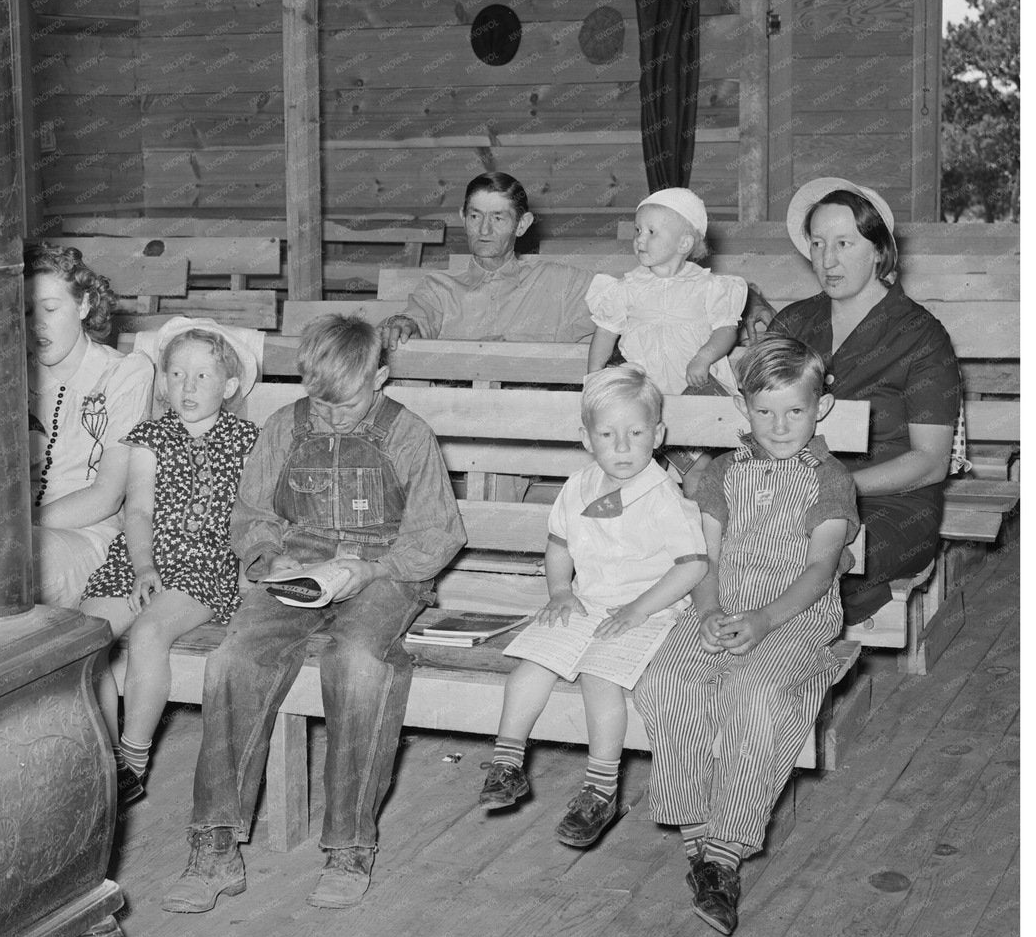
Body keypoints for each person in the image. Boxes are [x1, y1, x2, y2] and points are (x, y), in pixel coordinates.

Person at [162, 316, 466, 913]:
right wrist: (269, 558)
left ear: (380, 376)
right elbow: (252, 514)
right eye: (318, 401)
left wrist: (370, 570)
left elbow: (436, 534)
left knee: (356, 661)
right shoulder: (284, 425)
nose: (328, 416)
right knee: (233, 659)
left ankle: (350, 847)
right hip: (296, 566)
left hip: (384, 568)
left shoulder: (408, 433)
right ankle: (214, 847)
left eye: (346, 403)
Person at [634, 335, 860, 936]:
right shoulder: (720, 475)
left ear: (822, 409)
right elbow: (703, 558)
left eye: (795, 410)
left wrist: (763, 622)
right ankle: (696, 840)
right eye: (764, 411)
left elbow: (819, 570)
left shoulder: (830, 480)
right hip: (724, 602)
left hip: (795, 613)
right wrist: (708, 611)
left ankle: (727, 851)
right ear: (743, 409)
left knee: (757, 697)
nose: (780, 425)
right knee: (667, 681)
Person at [477, 366, 707, 848]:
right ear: (587, 438)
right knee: (532, 663)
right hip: (587, 601)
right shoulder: (577, 487)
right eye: (607, 434)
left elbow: (692, 567)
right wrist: (560, 591)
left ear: (658, 434)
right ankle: (506, 763)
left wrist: (639, 609)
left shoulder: (664, 496)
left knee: (600, 678)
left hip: (650, 608)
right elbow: (559, 546)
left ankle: (600, 789)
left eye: (636, 433)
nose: (622, 447)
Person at [79, 318, 261, 806]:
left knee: (149, 633)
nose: (187, 386)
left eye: (203, 376)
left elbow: (253, 519)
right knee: (84, 638)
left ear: (230, 385)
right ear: (163, 382)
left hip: (204, 566)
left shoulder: (248, 440)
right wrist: (142, 566)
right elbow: (136, 509)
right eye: (177, 374)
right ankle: (103, 758)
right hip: (141, 559)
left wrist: (249, 578)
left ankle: (133, 760)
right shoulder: (150, 437)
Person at [768, 178, 961, 625]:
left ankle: (794, 665)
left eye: (843, 243)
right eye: (817, 244)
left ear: (879, 250)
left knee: (809, 566)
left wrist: (839, 488)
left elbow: (930, 462)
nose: (827, 260)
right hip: (786, 490)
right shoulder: (793, 322)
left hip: (888, 501)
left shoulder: (922, 337)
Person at [27, 244, 155, 606]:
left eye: (51, 308)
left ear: (83, 305)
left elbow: (107, 495)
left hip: (89, 535)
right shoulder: (11, 377)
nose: (38, 324)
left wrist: (18, 527)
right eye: (26, 311)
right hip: (11, 535)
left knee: (19, 566)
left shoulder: (123, 373)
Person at [378, 172, 597, 349]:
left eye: (498, 218)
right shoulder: (438, 289)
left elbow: (622, 299)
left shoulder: (560, 283)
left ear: (522, 225)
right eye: (475, 216)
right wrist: (403, 324)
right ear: (463, 218)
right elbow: (415, 321)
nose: (484, 229)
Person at [585, 188, 747, 397]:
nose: (640, 239)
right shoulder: (626, 287)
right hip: (642, 385)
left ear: (684, 243)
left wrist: (703, 359)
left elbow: (725, 331)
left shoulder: (708, 286)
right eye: (638, 230)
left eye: (651, 232)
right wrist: (594, 378)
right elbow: (605, 333)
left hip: (695, 378)